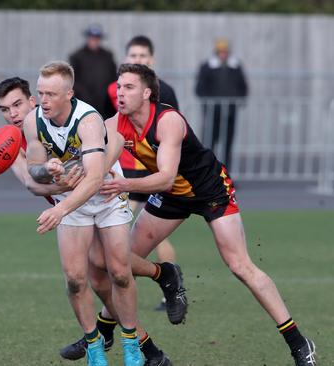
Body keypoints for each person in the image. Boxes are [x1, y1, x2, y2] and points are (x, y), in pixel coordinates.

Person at [102, 63, 317, 366]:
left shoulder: (168, 121)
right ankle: (161, 281)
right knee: (119, 262)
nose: (120, 93)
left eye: (128, 87)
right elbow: (97, 161)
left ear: (147, 92)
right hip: (171, 196)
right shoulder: (115, 123)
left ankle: (298, 343)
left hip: (210, 190)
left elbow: (164, 177)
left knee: (240, 265)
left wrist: (122, 183)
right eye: (119, 86)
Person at [0, 76, 172, 366]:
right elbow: (32, 184)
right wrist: (67, 182)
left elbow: (112, 139)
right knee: (94, 280)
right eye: (4, 109)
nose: (12, 114)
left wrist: (94, 172)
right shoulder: (10, 144)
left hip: (101, 197)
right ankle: (138, 343)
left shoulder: (65, 119)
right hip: (72, 206)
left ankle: (150, 297)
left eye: (17, 105)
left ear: (33, 101)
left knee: (111, 269)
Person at [23, 61, 142, 366]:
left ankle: (131, 343)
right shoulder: (33, 121)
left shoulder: (88, 120)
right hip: (70, 200)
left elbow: (93, 178)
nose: (44, 100)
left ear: (69, 94)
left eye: (51, 94)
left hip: (104, 195)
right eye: (40, 93)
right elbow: (34, 170)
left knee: (119, 272)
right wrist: (47, 171)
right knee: (76, 279)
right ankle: (94, 346)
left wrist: (60, 209)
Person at [107, 35, 178, 312]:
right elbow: (109, 128)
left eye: (142, 56)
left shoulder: (164, 91)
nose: (138, 60)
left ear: (152, 60)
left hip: (150, 174)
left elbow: (170, 131)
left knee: (130, 231)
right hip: (126, 168)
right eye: (133, 56)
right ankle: (162, 280)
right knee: (123, 229)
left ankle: (166, 282)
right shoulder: (115, 90)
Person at [195, 38, 248, 170]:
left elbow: (243, 86)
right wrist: (210, 104)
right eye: (220, 52)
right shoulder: (207, 66)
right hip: (212, 113)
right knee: (209, 143)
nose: (223, 54)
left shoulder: (235, 66)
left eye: (225, 52)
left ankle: (225, 175)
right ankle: (209, 174)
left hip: (230, 112)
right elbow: (200, 88)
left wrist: (237, 100)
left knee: (227, 145)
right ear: (216, 52)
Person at [69, 24, 117, 120]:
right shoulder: (77, 56)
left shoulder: (107, 55)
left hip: (105, 104)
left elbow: (113, 76)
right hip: (83, 102)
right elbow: (72, 79)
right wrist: (84, 95)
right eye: (92, 38)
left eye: (97, 38)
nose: (94, 40)